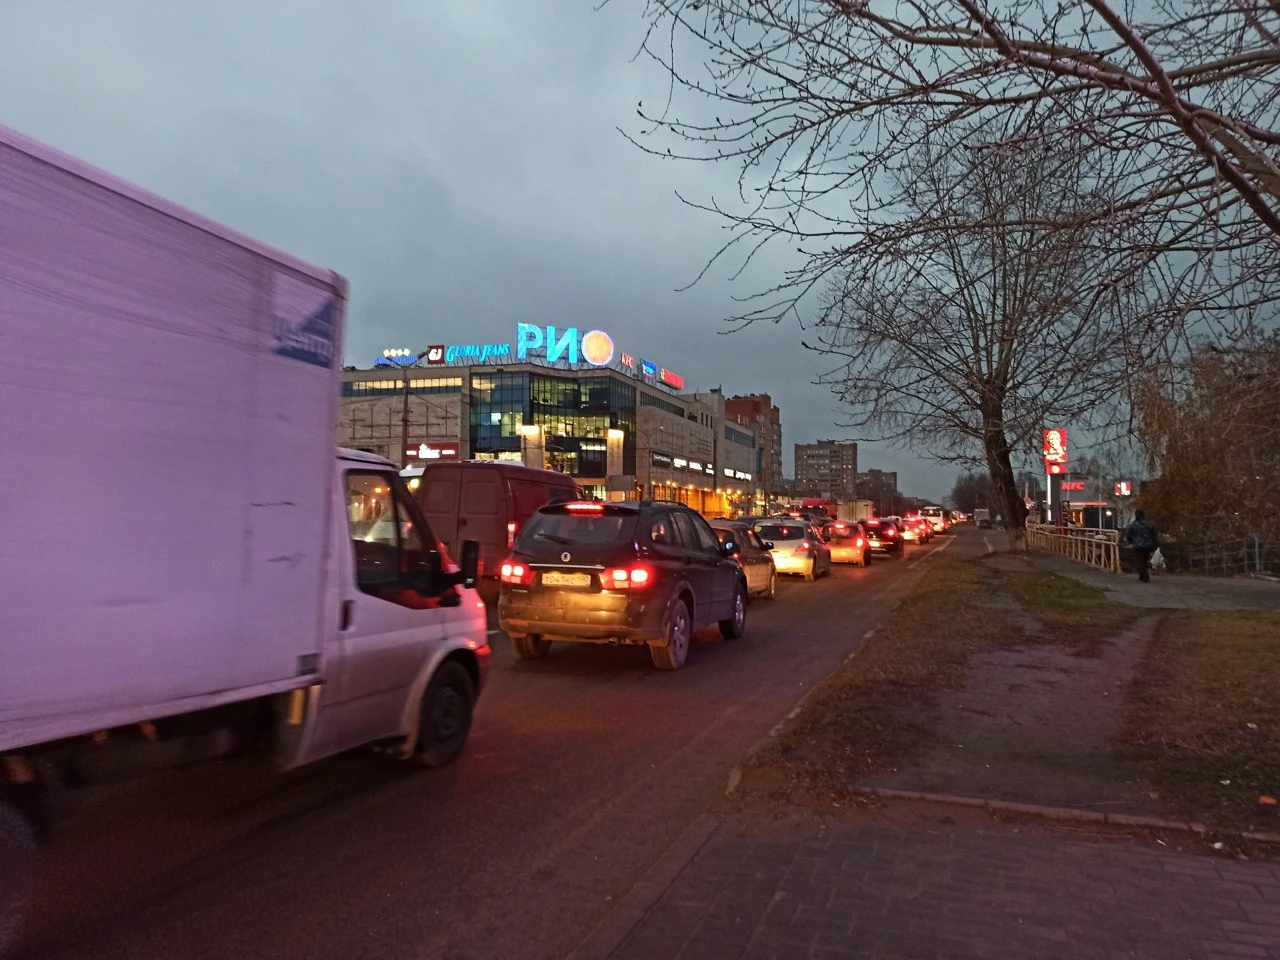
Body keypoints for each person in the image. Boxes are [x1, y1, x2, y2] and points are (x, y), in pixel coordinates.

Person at [1125, 509, 1159, 582]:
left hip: (1138, 545)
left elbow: (1128, 534)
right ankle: (1142, 576)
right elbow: (1154, 534)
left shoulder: (1133, 524)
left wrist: (1131, 541)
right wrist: (1154, 543)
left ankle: (1145, 576)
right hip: (1148, 545)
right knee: (1144, 561)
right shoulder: (1148, 524)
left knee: (1140, 561)